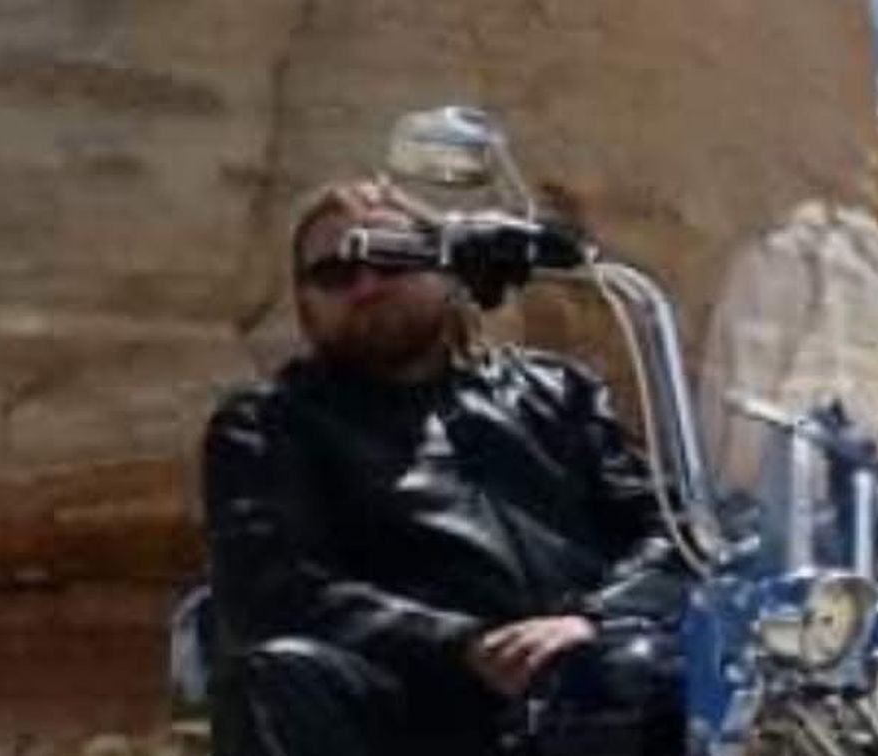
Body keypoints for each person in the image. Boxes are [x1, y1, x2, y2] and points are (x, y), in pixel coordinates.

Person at [202, 178, 687, 756]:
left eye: (391, 258)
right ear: (304, 302)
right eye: (334, 274)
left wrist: (594, 620)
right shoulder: (270, 422)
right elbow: (271, 590)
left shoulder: (558, 393)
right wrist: (466, 646)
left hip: (594, 681)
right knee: (279, 671)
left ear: (450, 268)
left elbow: (676, 533)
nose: (366, 285)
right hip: (420, 713)